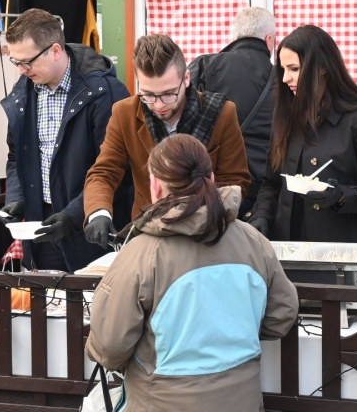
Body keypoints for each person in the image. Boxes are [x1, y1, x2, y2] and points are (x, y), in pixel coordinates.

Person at [86, 134, 298, 412]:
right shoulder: (253, 240)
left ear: (155, 185)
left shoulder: (141, 253)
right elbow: (282, 314)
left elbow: (108, 347)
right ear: (212, 178)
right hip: (242, 401)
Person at [83, 34, 250, 249]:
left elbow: (236, 181)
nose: (159, 105)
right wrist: (98, 212)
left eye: (169, 94)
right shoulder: (124, 113)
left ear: (186, 78)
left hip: (206, 234)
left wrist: (194, 216)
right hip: (148, 234)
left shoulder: (222, 113)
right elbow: (104, 172)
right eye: (148, 95)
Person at [0, 9, 131, 272]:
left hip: (95, 227)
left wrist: (72, 215)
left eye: (27, 62)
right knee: (46, 296)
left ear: (55, 50)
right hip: (42, 227)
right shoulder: (23, 93)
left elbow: (117, 166)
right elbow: (16, 156)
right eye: (16, 62)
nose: (22, 70)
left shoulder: (105, 92)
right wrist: (17, 197)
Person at [246, 25, 357, 243]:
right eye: (283, 69)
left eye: (294, 69)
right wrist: (262, 214)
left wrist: (341, 196)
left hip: (339, 249)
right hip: (287, 244)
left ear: (322, 68)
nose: (285, 78)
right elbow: (272, 182)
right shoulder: (286, 115)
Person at [188, 6, 275, 215]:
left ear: (235, 36)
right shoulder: (283, 77)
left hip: (214, 186)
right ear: (269, 40)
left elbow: (183, 121)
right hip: (264, 192)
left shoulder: (205, 65)